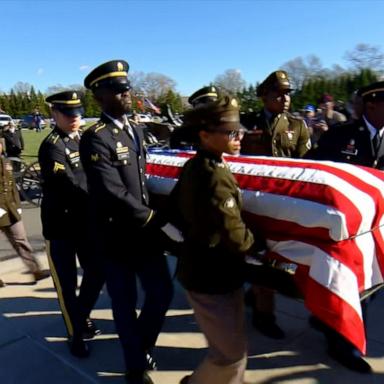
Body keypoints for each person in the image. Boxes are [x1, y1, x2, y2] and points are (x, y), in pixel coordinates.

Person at [80, 60, 173, 384]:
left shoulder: (135, 129)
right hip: (115, 236)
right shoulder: (96, 138)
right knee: (124, 303)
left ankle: (140, 345)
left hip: (143, 235)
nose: (126, 93)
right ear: (100, 96)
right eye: (118, 90)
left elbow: (141, 180)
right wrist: (151, 217)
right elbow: (111, 190)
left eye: (127, 88)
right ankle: (135, 368)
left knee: (162, 293)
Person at [169, 96, 258, 384]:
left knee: (232, 344)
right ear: (205, 135)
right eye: (231, 133)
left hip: (215, 271)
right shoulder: (211, 174)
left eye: (239, 131)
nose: (239, 136)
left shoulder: (202, 165)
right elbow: (234, 233)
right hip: (210, 276)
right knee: (230, 354)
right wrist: (263, 249)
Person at [305, 81, 384, 373]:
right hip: (342, 231)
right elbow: (312, 171)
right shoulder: (341, 136)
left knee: (372, 285)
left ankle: (327, 319)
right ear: (372, 105)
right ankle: (341, 344)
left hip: (377, 228)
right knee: (351, 285)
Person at [241, 70, 311, 339]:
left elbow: (307, 166)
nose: (285, 99)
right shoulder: (246, 122)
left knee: (276, 261)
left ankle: (255, 296)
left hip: (283, 203)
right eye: (278, 94)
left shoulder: (298, 126)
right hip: (253, 202)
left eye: (287, 94)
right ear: (263, 96)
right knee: (260, 259)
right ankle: (263, 316)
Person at [38, 91, 105, 358]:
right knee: (66, 286)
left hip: (85, 225)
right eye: (68, 114)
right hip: (61, 227)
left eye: (77, 113)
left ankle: (81, 314)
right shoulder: (52, 146)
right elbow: (68, 186)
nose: (75, 118)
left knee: (96, 272)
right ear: (54, 114)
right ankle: (75, 333)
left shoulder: (84, 140)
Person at [0, 138, 49, 287]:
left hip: (11, 208)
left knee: (21, 240)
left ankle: (35, 270)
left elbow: (12, 185)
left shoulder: (4, 161)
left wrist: (17, 203)